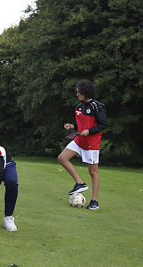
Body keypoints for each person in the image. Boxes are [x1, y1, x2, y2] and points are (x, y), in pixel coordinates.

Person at [58, 79, 107, 210]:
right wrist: (72, 126)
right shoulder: (79, 107)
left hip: (92, 144)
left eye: (78, 92)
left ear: (85, 92)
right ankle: (80, 183)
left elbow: (103, 124)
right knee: (62, 157)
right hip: (79, 140)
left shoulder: (97, 106)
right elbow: (80, 124)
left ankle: (94, 201)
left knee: (93, 171)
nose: (77, 94)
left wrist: (89, 131)